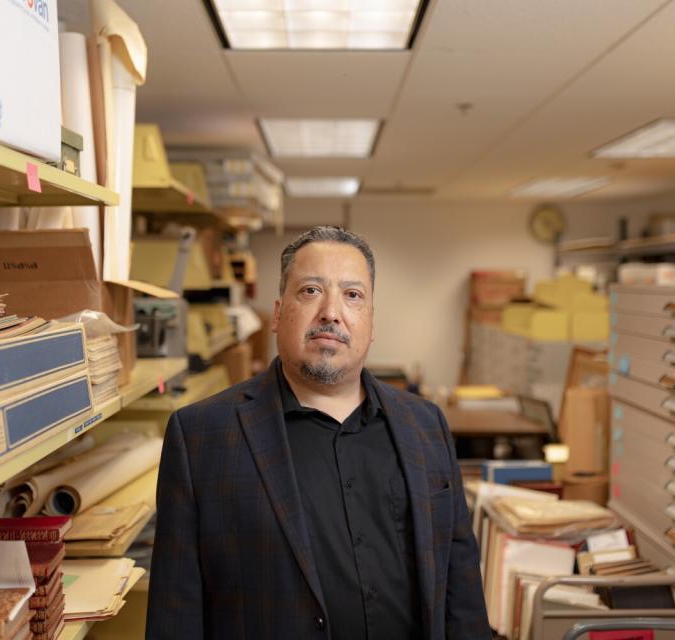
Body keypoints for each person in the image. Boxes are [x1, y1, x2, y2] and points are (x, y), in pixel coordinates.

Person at [146, 226, 490, 639]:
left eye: (353, 295)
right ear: (276, 314)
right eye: (311, 291)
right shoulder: (201, 437)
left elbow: (461, 589)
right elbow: (175, 614)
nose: (331, 311)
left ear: (371, 321)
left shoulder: (425, 425)